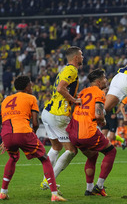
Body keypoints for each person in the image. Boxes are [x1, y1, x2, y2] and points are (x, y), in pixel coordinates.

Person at [0, 76, 65, 201]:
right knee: (45, 159)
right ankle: (54, 194)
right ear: (26, 87)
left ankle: (3, 192)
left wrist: (5, 138)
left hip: (6, 133)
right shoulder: (31, 98)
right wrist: (32, 135)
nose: (32, 87)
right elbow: (35, 123)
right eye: (30, 85)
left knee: (13, 158)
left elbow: (5, 121)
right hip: (23, 132)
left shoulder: (6, 100)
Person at [66, 69, 117, 196]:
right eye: (105, 78)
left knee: (92, 155)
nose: (106, 80)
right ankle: (99, 186)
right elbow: (98, 114)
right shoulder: (99, 92)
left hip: (73, 132)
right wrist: (103, 121)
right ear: (99, 82)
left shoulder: (83, 92)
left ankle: (89, 189)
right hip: (87, 132)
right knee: (111, 151)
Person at [40, 46, 83, 189]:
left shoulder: (64, 70)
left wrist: (74, 97)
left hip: (47, 112)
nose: (83, 57)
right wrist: (75, 100)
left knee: (56, 146)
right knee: (71, 150)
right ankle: (48, 181)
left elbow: (60, 90)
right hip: (58, 114)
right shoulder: (72, 70)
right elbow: (60, 89)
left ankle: (46, 179)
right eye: (81, 55)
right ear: (76, 57)